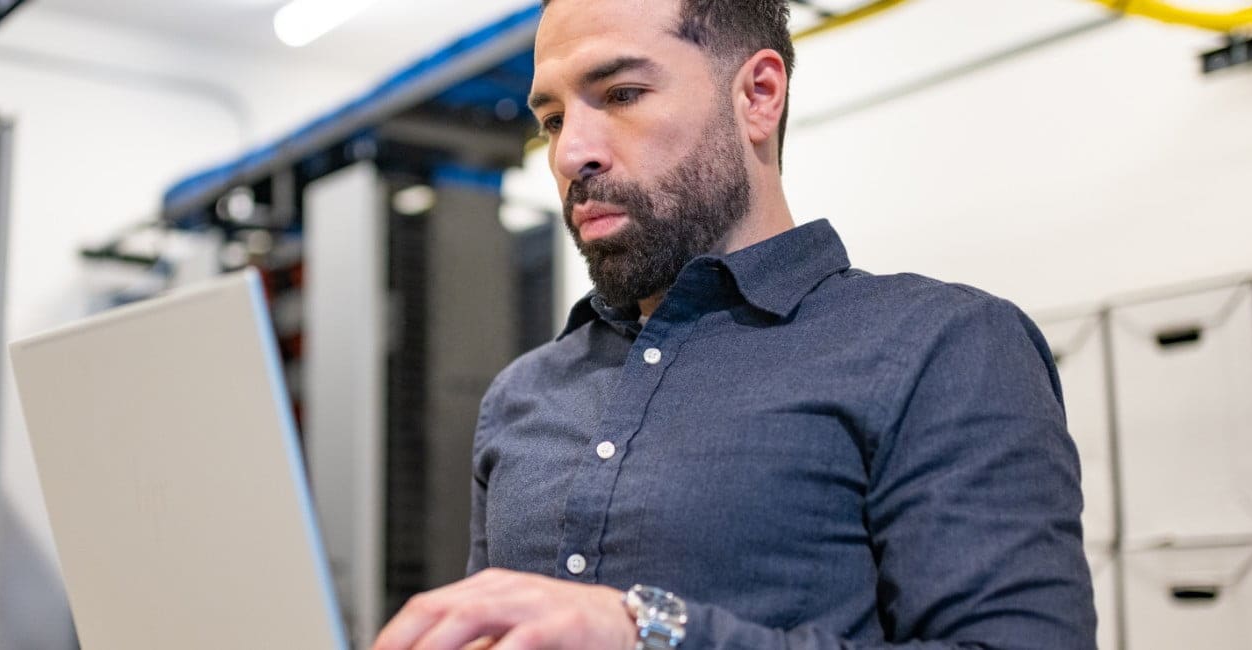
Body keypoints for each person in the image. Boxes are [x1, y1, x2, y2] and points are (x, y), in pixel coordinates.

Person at [373, 0, 1095, 648]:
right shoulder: (522, 394)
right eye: (553, 118)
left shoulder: (943, 347)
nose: (570, 154)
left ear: (758, 95)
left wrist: (644, 633)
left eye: (621, 94)